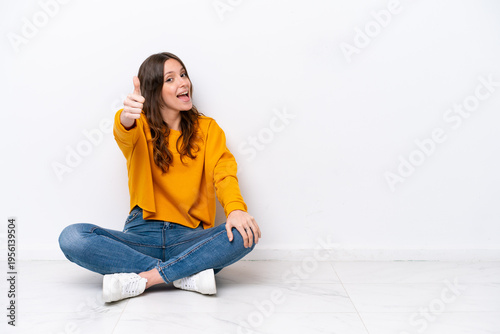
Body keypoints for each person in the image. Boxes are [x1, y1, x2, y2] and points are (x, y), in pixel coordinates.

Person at [58, 52, 261, 303]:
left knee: (244, 233)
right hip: (140, 236)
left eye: (183, 75)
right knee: (72, 237)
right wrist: (126, 115)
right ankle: (186, 273)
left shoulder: (208, 129)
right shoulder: (138, 125)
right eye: (170, 79)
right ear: (153, 90)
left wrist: (235, 210)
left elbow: (224, 174)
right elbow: (124, 130)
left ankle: (148, 278)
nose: (183, 82)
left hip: (189, 237)